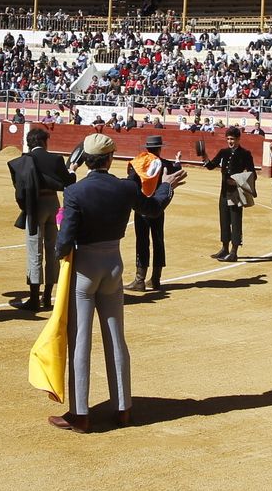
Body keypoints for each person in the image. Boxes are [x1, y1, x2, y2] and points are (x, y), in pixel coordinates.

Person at [49, 134, 185, 433]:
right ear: (110, 158)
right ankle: (123, 408)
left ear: (86, 159)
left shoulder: (75, 191)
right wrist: (166, 186)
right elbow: (152, 208)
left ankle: (81, 414)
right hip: (114, 265)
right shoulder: (124, 188)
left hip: (85, 268)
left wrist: (62, 233)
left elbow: (63, 243)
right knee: (116, 337)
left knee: (80, 340)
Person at [7, 126, 76, 310]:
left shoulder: (22, 162)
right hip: (52, 203)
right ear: (44, 142)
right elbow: (68, 182)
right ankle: (47, 296)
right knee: (53, 248)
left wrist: (26, 208)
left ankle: (34, 298)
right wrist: (73, 171)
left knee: (34, 250)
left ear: (29, 144)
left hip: (34, 206)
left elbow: (20, 190)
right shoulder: (55, 159)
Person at [125, 135, 178, 292]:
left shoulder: (138, 164)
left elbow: (132, 182)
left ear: (147, 149)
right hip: (158, 206)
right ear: (160, 149)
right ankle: (156, 279)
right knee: (158, 240)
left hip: (142, 207)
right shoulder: (165, 164)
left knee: (142, 241)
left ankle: (139, 280)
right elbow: (176, 172)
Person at [203, 127, 256, 261]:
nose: (230, 141)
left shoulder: (245, 153)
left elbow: (252, 174)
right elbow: (211, 166)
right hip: (224, 192)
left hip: (236, 193)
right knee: (224, 219)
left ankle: (234, 251)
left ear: (238, 139)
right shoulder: (224, 152)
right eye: (228, 139)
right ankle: (224, 248)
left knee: (235, 221)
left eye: (232, 139)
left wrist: (238, 181)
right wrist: (204, 156)